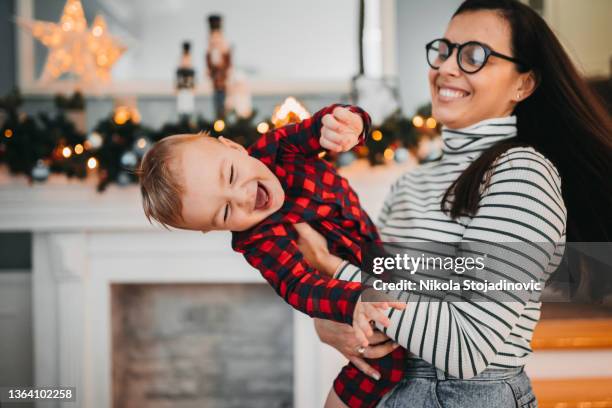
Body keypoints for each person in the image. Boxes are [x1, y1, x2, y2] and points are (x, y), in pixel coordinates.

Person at [295, 0, 612, 407]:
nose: (446, 67)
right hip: (388, 390)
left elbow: (468, 347)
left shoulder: (523, 174)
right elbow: (371, 287)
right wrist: (330, 320)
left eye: (474, 55)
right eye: (444, 50)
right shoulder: (409, 184)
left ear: (524, 84)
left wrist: (331, 267)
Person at [136, 104, 407, 407]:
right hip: (358, 293)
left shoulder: (278, 149)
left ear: (235, 147)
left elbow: (318, 128)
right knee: (384, 363)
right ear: (213, 229)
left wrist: (347, 123)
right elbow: (299, 286)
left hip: (376, 253)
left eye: (231, 174)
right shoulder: (257, 240)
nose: (242, 196)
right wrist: (354, 300)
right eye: (225, 211)